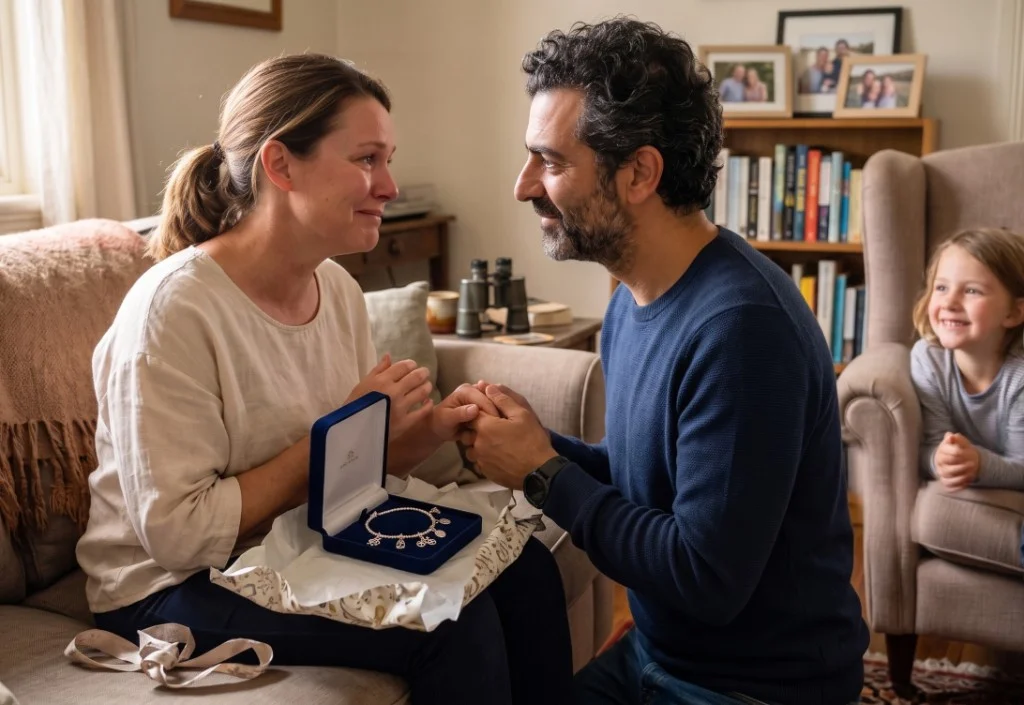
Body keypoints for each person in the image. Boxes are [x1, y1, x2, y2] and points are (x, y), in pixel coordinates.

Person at [74, 53, 573, 705]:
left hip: (296, 537)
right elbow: (179, 534)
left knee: (525, 566)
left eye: (388, 158)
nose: (390, 184)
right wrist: (335, 431)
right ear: (280, 165)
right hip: (165, 587)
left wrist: (429, 428)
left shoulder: (334, 287)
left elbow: (344, 480)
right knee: (451, 623)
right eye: (367, 159)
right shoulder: (174, 312)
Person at [459, 18, 869, 705]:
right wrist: (529, 444)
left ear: (640, 172)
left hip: (758, 688)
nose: (523, 185)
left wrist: (542, 471)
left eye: (552, 162)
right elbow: (646, 485)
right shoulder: (634, 297)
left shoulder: (742, 331)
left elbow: (705, 576)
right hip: (659, 658)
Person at [910, 228, 1024, 499]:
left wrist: (979, 464)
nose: (949, 302)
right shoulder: (928, 359)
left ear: (1014, 312)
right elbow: (930, 445)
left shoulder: (1019, 375)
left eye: (972, 290)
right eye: (941, 287)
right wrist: (940, 460)